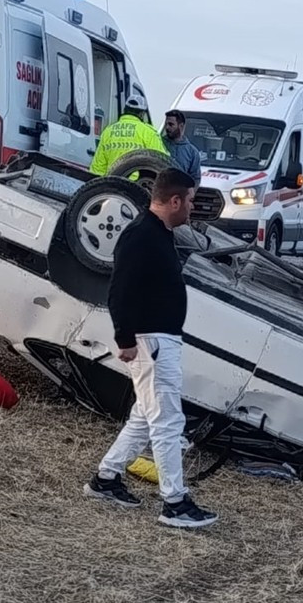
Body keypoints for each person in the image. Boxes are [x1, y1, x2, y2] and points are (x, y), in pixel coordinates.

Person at [83, 167, 218, 529]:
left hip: (159, 339)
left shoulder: (158, 234)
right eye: (189, 200)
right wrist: (125, 338)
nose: (192, 207)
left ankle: (106, 478)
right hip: (151, 342)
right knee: (167, 420)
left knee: (145, 418)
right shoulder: (141, 236)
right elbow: (119, 291)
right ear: (174, 200)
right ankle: (174, 502)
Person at [89, 95, 168, 177]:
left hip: (112, 185)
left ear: (125, 110)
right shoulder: (148, 132)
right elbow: (162, 162)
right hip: (137, 186)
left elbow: (98, 168)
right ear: (141, 114)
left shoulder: (108, 131)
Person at [161, 109, 202, 185]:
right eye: (166, 124)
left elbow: (195, 178)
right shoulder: (159, 143)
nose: (167, 127)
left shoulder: (192, 152)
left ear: (181, 126)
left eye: (171, 124)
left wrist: (190, 194)